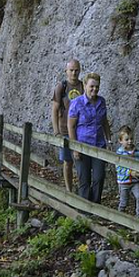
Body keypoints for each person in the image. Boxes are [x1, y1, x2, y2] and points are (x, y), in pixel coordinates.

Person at [67, 72, 112, 203]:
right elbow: (71, 126)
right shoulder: (77, 103)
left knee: (99, 177)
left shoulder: (101, 102)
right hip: (82, 146)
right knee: (84, 179)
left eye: (97, 87)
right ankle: (84, 210)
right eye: (92, 86)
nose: (94, 89)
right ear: (85, 85)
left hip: (98, 146)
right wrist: (75, 148)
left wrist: (109, 141)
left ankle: (96, 206)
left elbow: (105, 122)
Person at [51, 59, 84, 192]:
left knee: (81, 161)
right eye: (71, 70)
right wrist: (56, 130)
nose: (74, 73)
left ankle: (83, 190)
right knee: (67, 161)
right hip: (65, 129)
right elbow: (55, 109)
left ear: (80, 71)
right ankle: (69, 190)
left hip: (80, 130)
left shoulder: (83, 86)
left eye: (76, 70)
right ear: (66, 71)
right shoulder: (61, 87)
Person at [115, 125, 139, 219]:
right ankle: (120, 215)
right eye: (127, 139)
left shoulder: (138, 152)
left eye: (131, 139)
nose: (130, 141)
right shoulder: (120, 153)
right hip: (124, 182)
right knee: (124, 200)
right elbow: (118, 168)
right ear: (120, 141)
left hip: (135, 181)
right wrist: (130, 172)